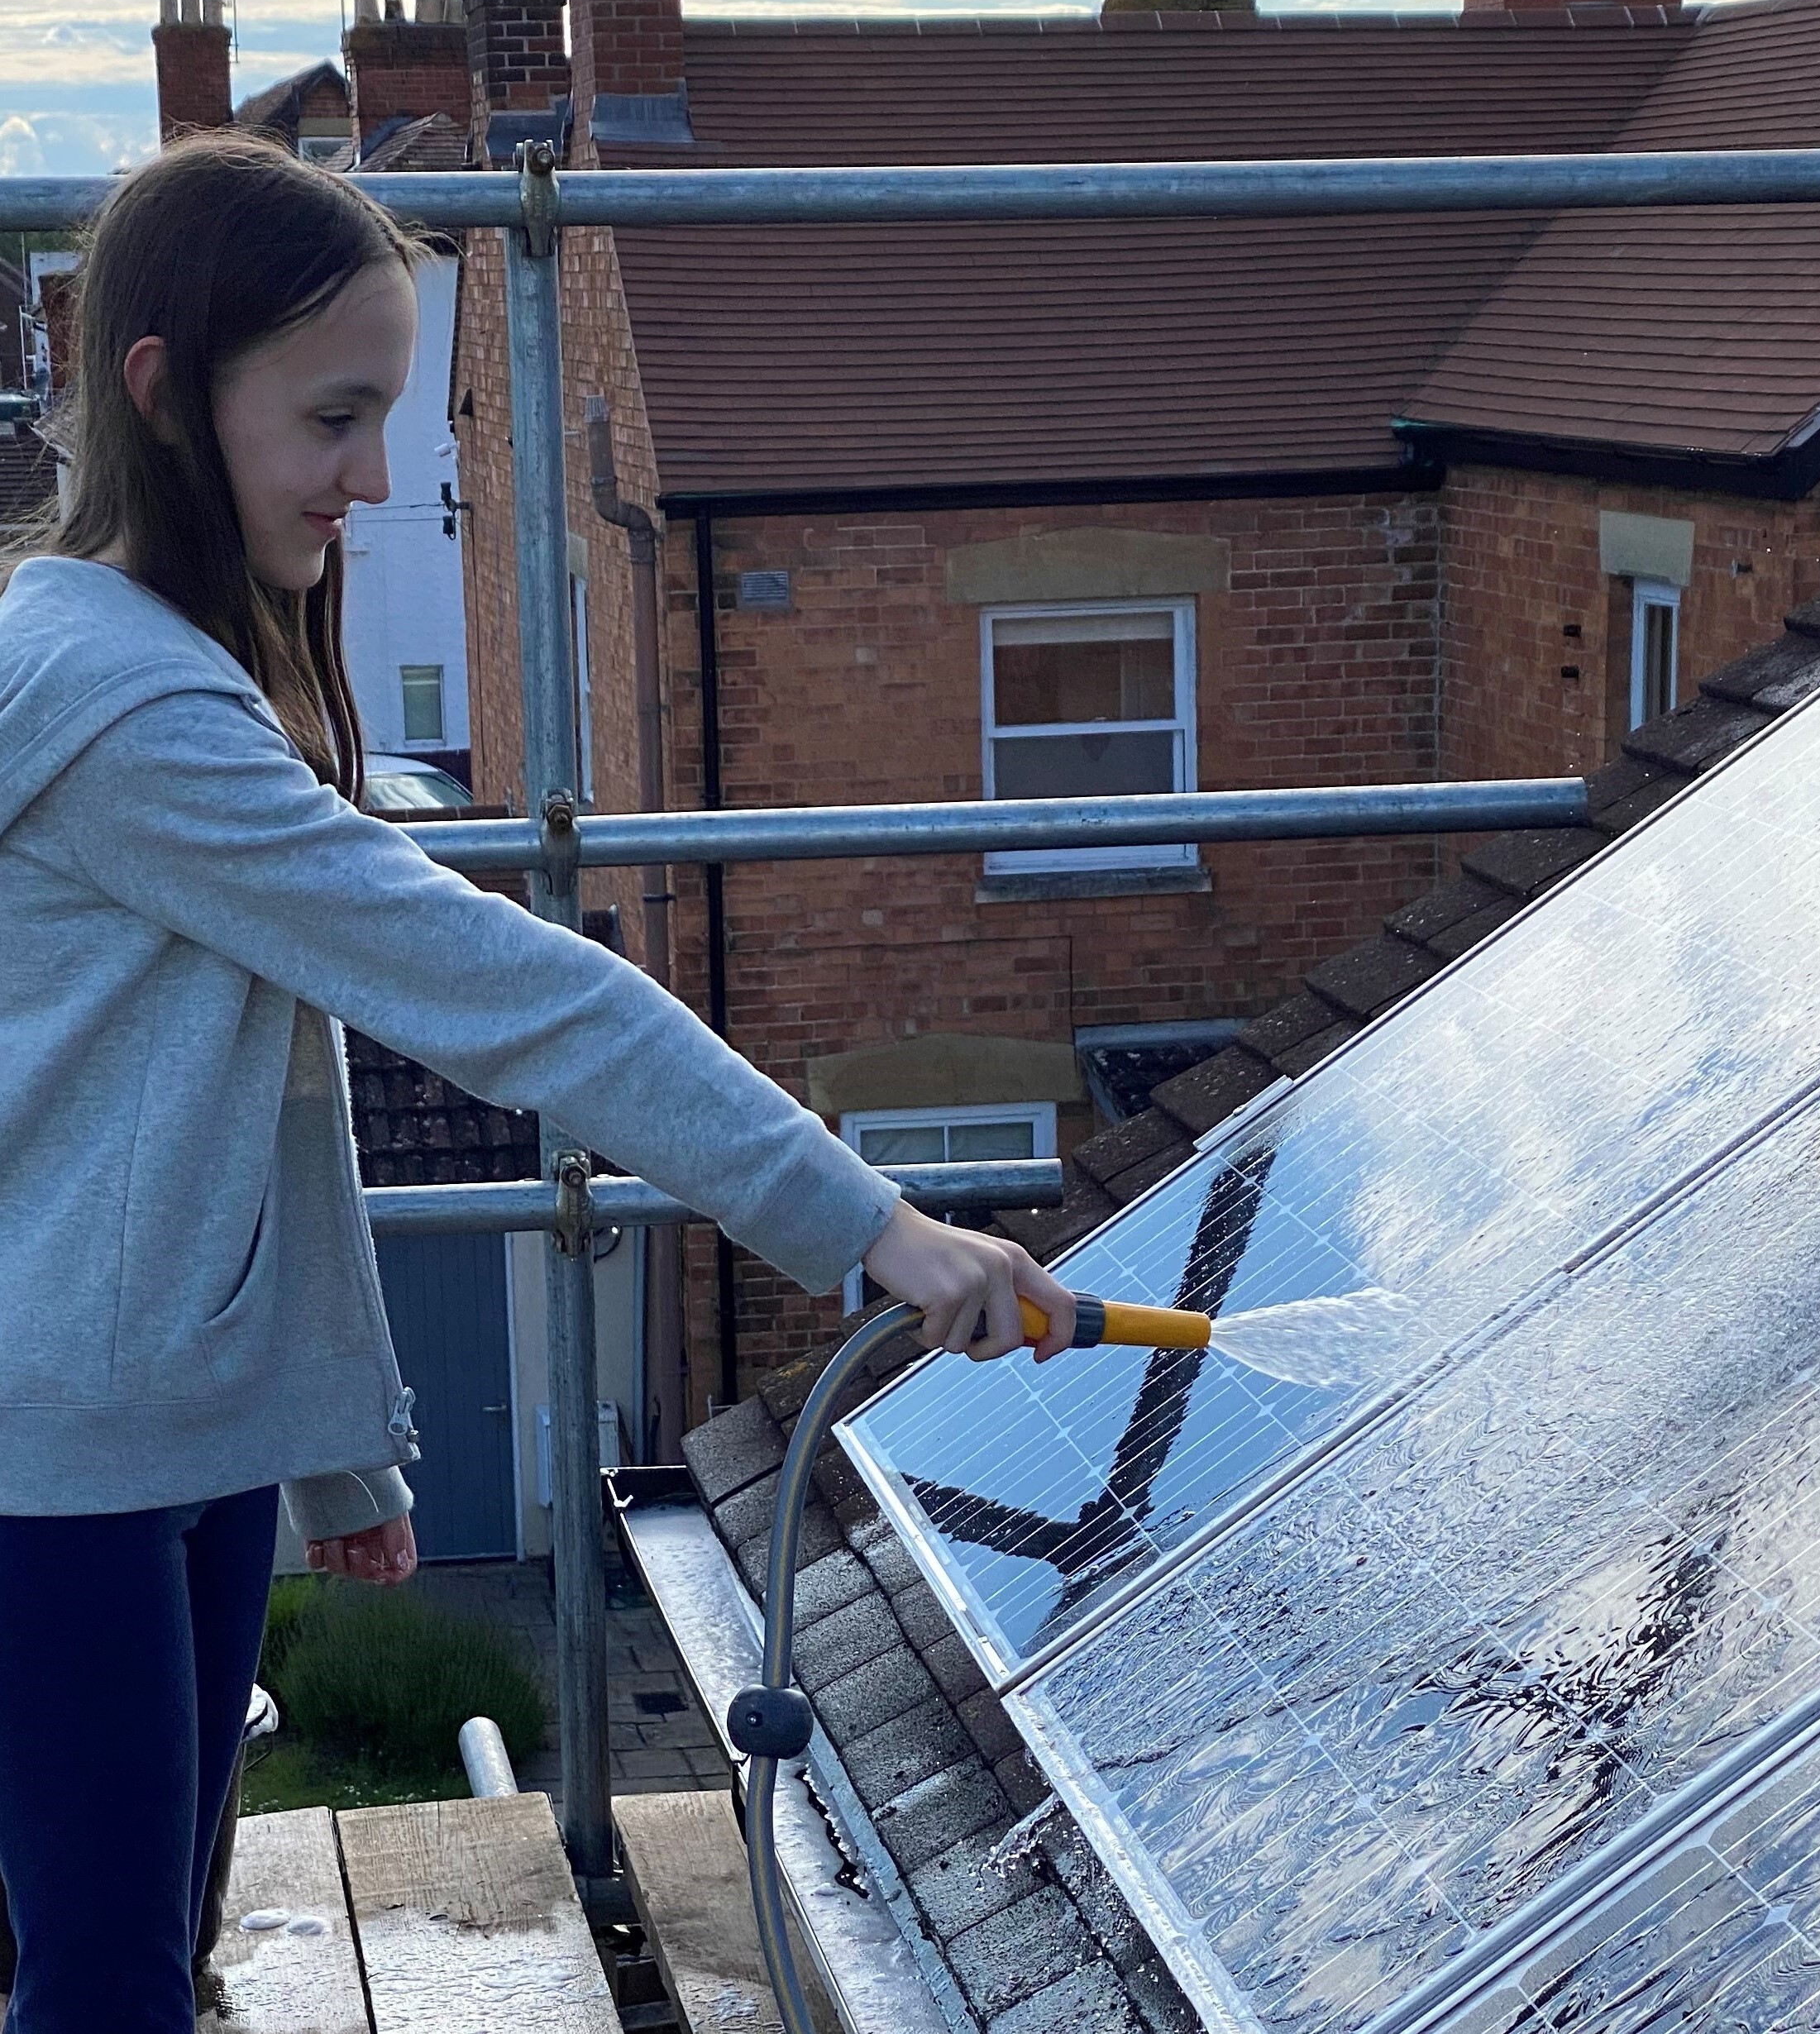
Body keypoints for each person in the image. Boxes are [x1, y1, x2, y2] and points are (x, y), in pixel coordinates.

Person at [0, 131, 1077, 2034]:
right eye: (335, 417)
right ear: (163, 392)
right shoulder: (130, 709)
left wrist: (330, 1441)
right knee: (100, 1983)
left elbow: (265, 1100)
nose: (376, 478)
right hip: (49, 1466)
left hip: (160, 1437)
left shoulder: (165, 664)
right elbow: (511, 993)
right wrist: (869, 1225)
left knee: (145, 1949)